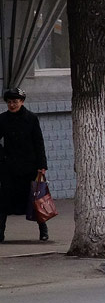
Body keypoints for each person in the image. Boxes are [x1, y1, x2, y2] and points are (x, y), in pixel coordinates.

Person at [0, 87, 49, 242]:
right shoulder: (2, 119)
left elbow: (38, 143)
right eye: (9, 102)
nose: (12, 105)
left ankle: (43, 231)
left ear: (21, 102)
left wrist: (42, 165)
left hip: (30, 166)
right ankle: (0, 233)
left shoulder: (31, 118)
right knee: (3, 200)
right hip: (9, 167)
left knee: (36, 199)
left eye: (15, 101)